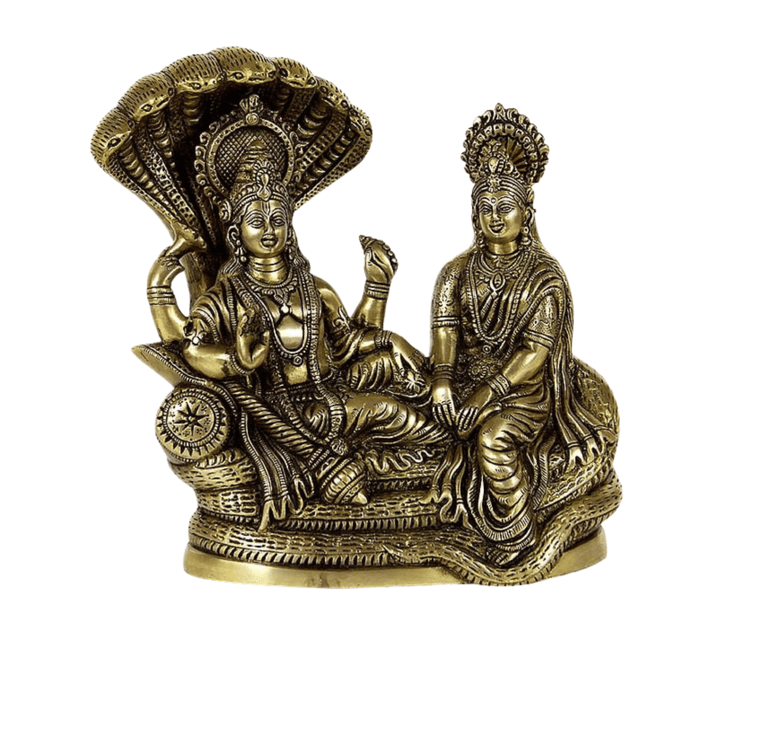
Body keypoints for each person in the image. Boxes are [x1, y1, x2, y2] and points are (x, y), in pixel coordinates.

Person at [147, 140, 445, 526]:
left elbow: (347, 344)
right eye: (257, 222)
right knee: (388, 410)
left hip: (331, 384)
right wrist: (237, 359)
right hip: (289, 411)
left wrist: (380, 299)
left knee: (395, 365)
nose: (269, 231)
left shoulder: (315, 288)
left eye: (278, 220)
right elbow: (192, 350)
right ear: (237, 231)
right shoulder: (225, 298)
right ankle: (446, 449)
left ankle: (452, 420)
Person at [429, 131, 606, 565]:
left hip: (521, 392)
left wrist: (487, 394)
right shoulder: (455, 272)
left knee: (492, 439)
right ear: (474, 214)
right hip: (462, 382)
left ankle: (519, 533)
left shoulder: (543, 276)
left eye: (505, 207)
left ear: (526, 212)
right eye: (486, 208)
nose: (495, 217)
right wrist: (443, 382)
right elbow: (445, 334)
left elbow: (534, 352)